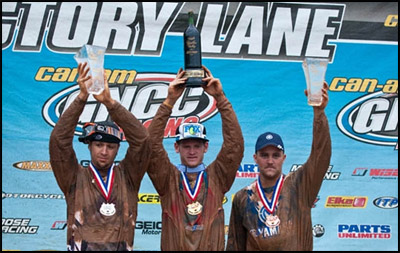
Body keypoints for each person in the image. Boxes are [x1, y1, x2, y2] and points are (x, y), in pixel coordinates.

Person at [49, 62, 151, 251]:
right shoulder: (73, 177)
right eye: (98, 145)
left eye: (110, 146)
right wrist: (81, 98)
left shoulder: (128, 176)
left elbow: (143, 140)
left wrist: (110, 103)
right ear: (89, 146)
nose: (104, 151)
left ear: (118, 149)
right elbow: (59, 140)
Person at [147, 66, 244, 251]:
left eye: (197, 146)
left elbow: (235, 146)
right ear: (177, 147)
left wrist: (220, 98)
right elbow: (150, 148)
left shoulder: (217, 176)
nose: (192, 151)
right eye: (186, 146)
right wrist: (169, 101)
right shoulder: (167, 178)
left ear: (205, 147)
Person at [226, 82, 331, 251]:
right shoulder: (242, 198)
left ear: (284, 158)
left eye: (275, 155)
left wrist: (319, 113)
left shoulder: (300, 186)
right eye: (264, 155)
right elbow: (234, 245)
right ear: (255, 158)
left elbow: (321, 156)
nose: (270, 161)